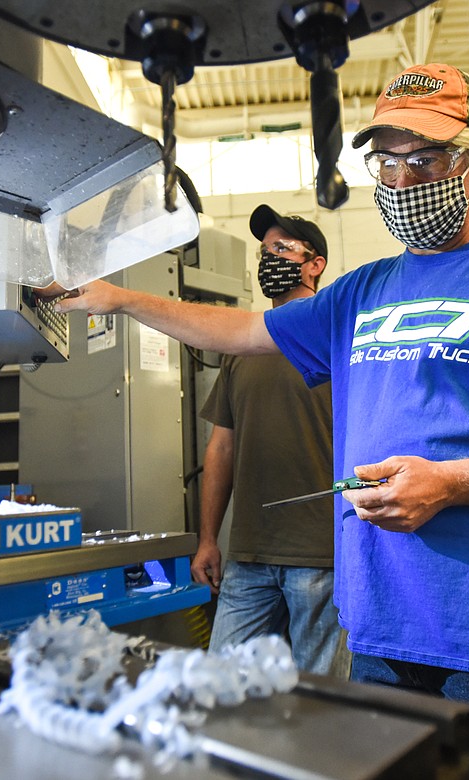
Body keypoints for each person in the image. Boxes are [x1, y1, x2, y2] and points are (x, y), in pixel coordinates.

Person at [55, 62, 469, 726]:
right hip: (380, 633)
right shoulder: (361, 291)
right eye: (386, 163)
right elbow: (242, 329)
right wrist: (117, 298)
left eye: (425, 160)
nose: (402, 182)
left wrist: (454, 483)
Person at [194, 205, 347, 677]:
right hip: (249, 555)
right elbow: (220, 449)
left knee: (321, 701)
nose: (270, 259)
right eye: (265, 251)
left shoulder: (341, 338)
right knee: (224, 687)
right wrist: (207, 539)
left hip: (322, 554)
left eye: (282, 248)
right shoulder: (242, 349)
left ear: (315, 264)